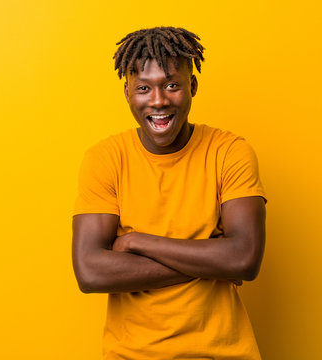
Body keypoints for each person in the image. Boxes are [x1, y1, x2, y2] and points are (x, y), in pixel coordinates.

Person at [72, 26, 266, 360]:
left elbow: (245, 260)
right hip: (131, 355)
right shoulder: (105, 158)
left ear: (192, 86)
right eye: (144, 88)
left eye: (172, 85)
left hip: (224, 353)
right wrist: (215, 260)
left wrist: (137, 243)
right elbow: (90, 272)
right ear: (127, 92)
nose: (158, 100)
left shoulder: (230, 152)